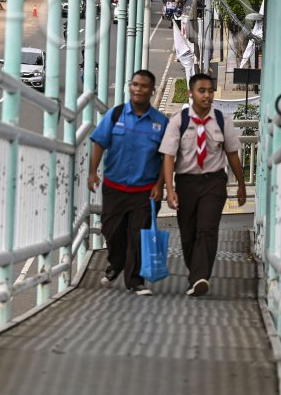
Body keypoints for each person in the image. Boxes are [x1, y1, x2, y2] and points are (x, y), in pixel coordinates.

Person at [160, 73, 247, 297]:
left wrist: (241, 184)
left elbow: (232, 154)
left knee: (207, 229)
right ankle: (195, 275)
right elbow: (168, 156)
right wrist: (169, 190)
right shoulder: (179, 122)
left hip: (213, 182)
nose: (207, 95)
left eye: (210, 90)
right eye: (202, 90)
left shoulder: (221, 120)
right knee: (188, 233)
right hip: (186, 182)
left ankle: (200, 277)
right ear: (191, 93)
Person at [87, 69, 168, 295]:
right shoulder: (116, 115)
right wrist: (92, 172)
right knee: (111, 229)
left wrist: (159, 185)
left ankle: (135, 281)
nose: (138, 89)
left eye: (144, 86)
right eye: (135, 84)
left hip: (145, 190)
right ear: (130, 87)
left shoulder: (161, 123)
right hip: (115, 186)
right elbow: (99, 143)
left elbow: (167, 157)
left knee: (138, 235)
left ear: (152, 91)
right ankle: (116, 262)